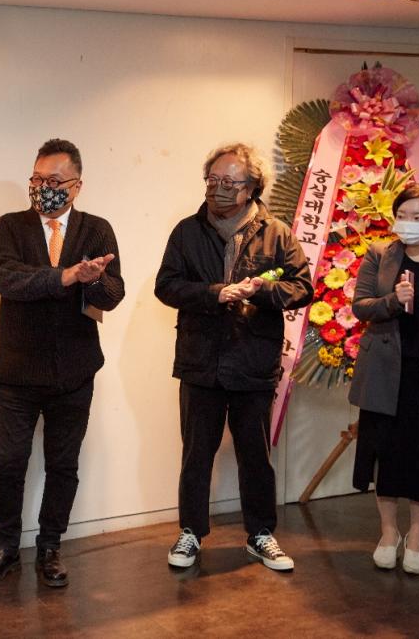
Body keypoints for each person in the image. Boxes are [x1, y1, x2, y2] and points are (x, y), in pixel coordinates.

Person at [0, 138, 125, 588]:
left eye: (55, 180)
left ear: (77, 185)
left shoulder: (96, 230)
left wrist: (92, 282)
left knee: (63, 465)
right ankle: (6, 545)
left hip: (75, 373)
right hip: (16, 374)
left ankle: (51, 546)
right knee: (9, 464)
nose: (44, 188)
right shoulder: (9, 226)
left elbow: (113, 294)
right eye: (37, 179)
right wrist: (65, 276)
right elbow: (3, 278)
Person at [154, 143, 312, 571]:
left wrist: (262, 292)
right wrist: (215, 293)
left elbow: (303, 287)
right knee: (196, 454)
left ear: (252, 187)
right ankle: (190, 532)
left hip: (253, 361)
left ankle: (261, 534)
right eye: (212, 179)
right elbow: (166, 286)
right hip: (199, 361)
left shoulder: (277, 233)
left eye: (229, 181)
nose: (217, 188)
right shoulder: (186, 231)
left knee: (255, 456)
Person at [349, 183, 419, 575]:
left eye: (418, 217)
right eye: (402, 215)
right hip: (384, 373)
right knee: (387, 457)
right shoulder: (380, 254)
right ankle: (388, 533)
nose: (408, 223)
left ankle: (416, 536)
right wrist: (395, 301)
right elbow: (361, 307)